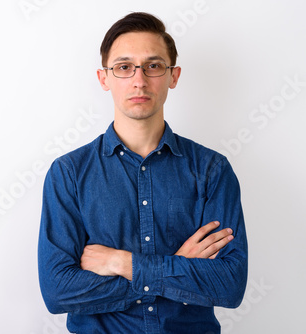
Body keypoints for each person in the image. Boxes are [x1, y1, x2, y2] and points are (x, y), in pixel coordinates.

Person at [37, 12, 248, 334]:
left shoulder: (211, 170)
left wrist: (122, 264)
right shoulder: (68, 173)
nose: (139, 80)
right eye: (124, 67)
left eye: (153, 66)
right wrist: (176, 266)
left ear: (173, 76)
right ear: (104, 78)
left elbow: (229, 285)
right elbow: (58, 291)